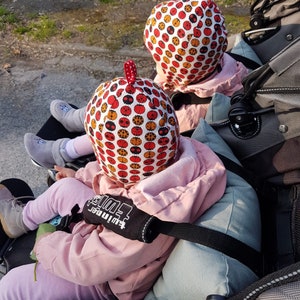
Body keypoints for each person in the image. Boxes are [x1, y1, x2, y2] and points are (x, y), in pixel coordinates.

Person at [0, 60, 226, 299]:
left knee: (14, 284)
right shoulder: (173, 152)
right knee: (66, 186)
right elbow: (112, 174)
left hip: (106, 283)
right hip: (113, 222)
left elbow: (86, 264)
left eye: (100, 151)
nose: (98, 157)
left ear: (119, 163)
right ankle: (20, 220)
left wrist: (46, 243)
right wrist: (78, 176)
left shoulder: (147, 221)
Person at [24, 0, 248, 169]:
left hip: (137, 139)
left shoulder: (193, 112)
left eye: (159, 59)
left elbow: (135, 134)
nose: (156, 62)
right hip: (173, 93)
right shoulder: (214, 65)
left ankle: (64, 151)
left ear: (177, 65)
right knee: (115, 95)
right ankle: (79, 118)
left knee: (117, 124)